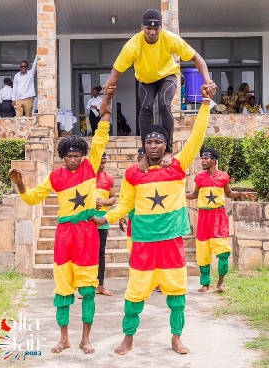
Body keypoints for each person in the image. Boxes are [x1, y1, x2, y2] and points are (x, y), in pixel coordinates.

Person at [92, 84, 214, 356]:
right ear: (144, 144)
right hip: (144, 242)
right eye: (149, 141)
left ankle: (176, 337)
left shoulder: (178, 166)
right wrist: (106, 218)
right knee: (134, 296)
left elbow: (197, 136)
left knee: (177, 295)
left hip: (171, 242)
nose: (153, 145)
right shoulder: (133, 173)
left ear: (166, 144)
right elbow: (125, 203)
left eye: (158, 141)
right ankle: (128, 338)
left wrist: (205, 105)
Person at [9, 86, 115, 355]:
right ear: (62, 157)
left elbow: (101, 138)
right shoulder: (56, 177)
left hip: (88, 233)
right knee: (62, 289)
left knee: (88, 290)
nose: (72, 160)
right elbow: (33, 198)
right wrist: (20, 185)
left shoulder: (91, 167)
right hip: (64, 236)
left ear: (82, 156)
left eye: (76, 156)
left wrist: (106, 108)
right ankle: (64, 338)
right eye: (68, 156)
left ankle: (86, 339)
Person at [103, 8, 216, 166]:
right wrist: (104, 102)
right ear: (142, 27)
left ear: (161, 28)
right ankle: (144, 152)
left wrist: (207, 81)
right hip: (145, 80)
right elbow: (114, 74)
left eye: (156, 28)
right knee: (146, 107)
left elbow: (197, 58)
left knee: (164, 103)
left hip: (167, 76)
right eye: (149, 28)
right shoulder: (133, 45)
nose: (152, 32)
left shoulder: (171, 39)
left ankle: (168, 150)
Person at [186, 148, 256, 293]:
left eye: (206, 158)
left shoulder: (223, 177)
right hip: (204, 217)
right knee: (203, 251)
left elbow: (229, 193)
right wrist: (180, 195)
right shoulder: (199, 177)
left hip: (219, 217)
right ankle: (205, 283)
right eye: (202, 159)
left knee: (223, 251)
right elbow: (194, 194)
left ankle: (220, 282)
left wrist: (241, 193)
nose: (203, 161)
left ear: (214, 160)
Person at [95, 152, 116, 296]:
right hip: (87, 220)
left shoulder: (109, 178)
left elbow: (113, 198)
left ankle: (100, 285)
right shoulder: (85, 177)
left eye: (104, 163)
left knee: (100, 253)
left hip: (102, 220)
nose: (102, 166)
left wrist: (103, 202)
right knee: (87, 253)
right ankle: (87, 286)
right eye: (100, 162)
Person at [118, 148, 145, 254]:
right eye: (140, 159)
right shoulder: (131, 173)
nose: (142, 162)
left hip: (153, 219)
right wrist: (121, 215)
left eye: (144, 158)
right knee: (134, 251)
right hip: (134, 218)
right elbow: (123, 194)